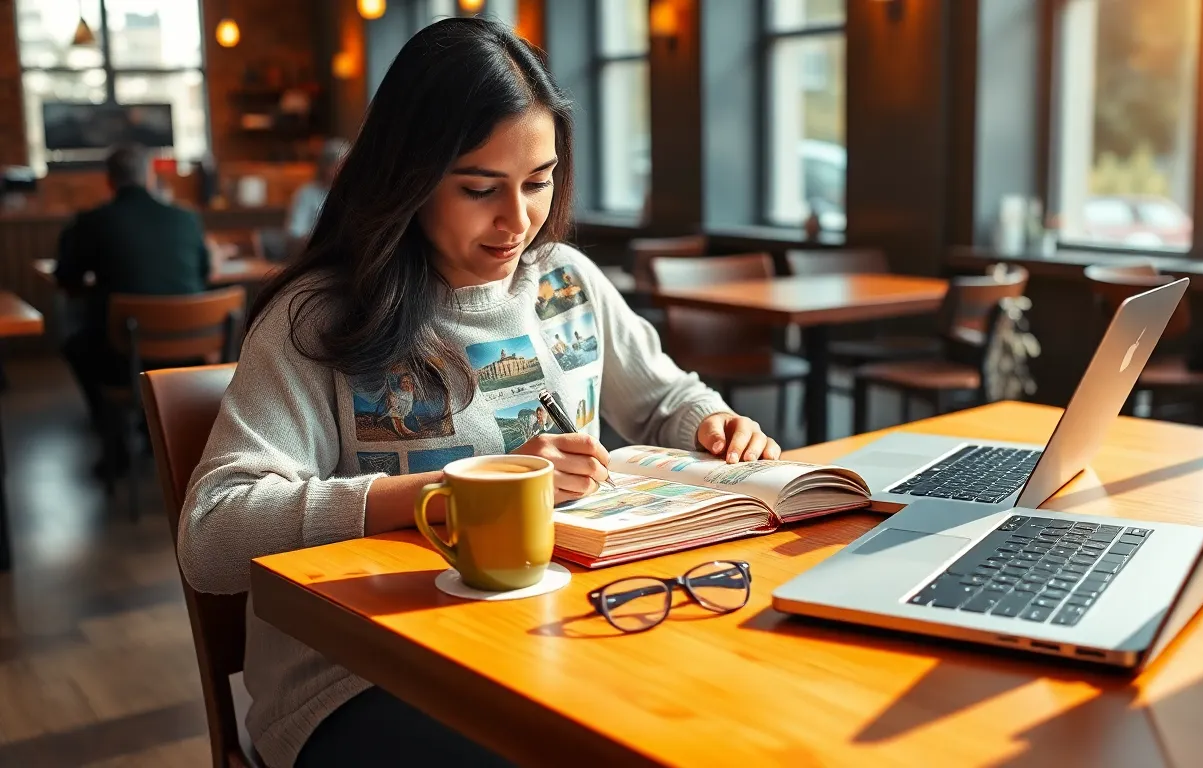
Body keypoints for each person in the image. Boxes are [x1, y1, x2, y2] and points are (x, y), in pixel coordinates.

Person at [177, 18, 780, 768]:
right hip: (357, 676)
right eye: (478, 188)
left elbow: (662, 399)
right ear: (409, 175)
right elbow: (211, 534)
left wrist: (713, 421)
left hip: (549, 639)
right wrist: (446, 493)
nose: (518, 220)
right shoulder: (320, 320)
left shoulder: (565, 282)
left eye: (539, 180)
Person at [55, 143, 211, 475]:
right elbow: (203, 274)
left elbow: (65, 278)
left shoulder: (92, 222)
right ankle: (151, 428)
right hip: (191, 359)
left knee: (75, 344)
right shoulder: (186, 219)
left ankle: (114, 442)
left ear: (108, 181)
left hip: (121, 358)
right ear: (150, 176)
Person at [285, 137, 350, 256]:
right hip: (313, 256)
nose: (340, 170)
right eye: (336, 165)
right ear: (324, 166)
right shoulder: (306, 193)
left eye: (344, 165)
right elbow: (295, 234)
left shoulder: (351, 194)